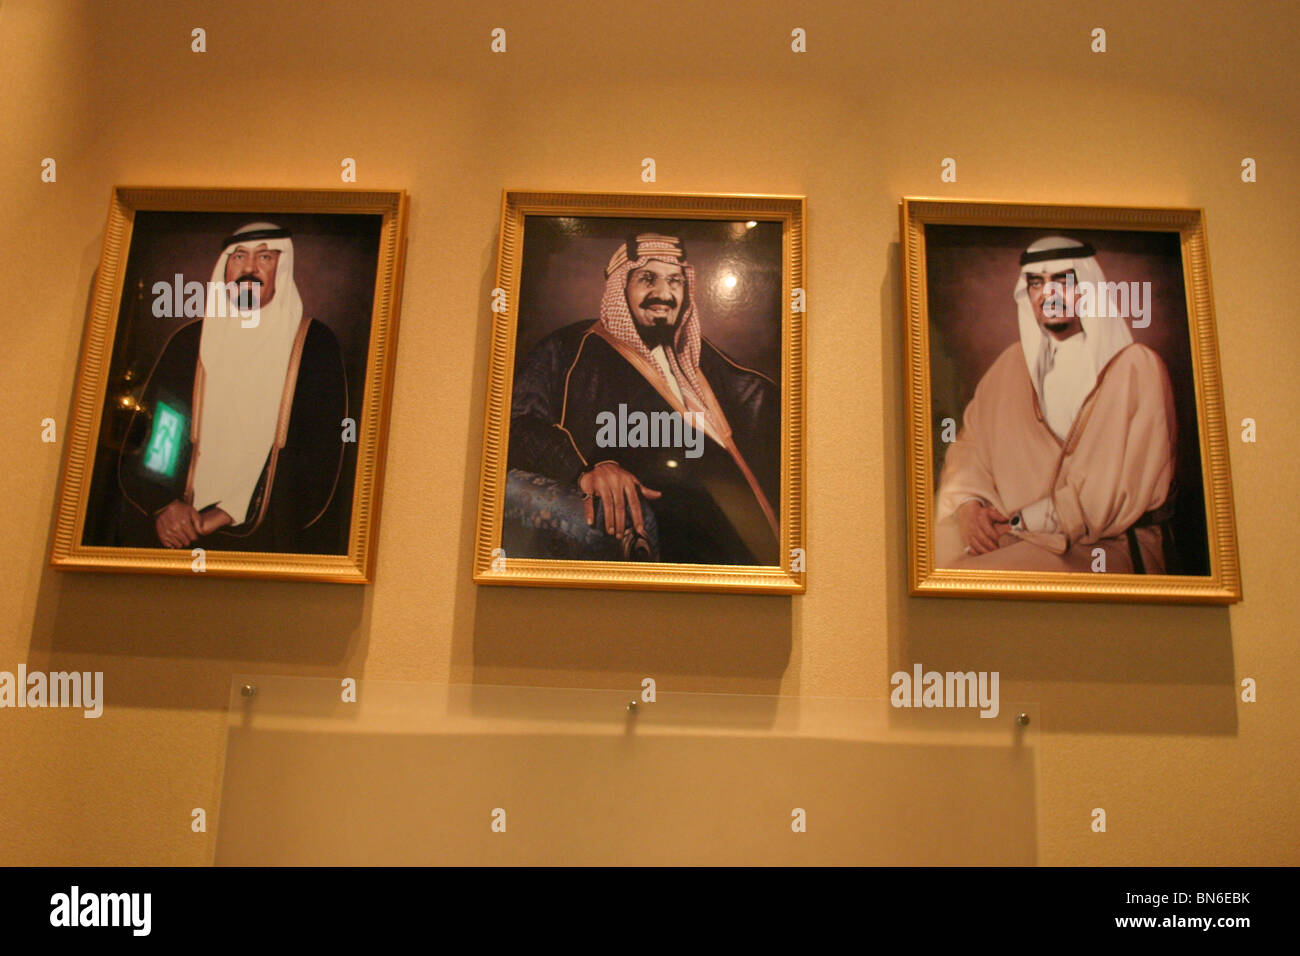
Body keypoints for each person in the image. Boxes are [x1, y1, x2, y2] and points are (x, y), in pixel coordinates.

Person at [507, 232, 780, 564]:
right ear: (621, 288)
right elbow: (518, 425)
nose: (663, 293)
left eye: (675, 281)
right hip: (655, 540)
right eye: (647, 279)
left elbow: (759, 406)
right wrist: (585, 469)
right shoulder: (568, 349)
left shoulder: (704, 359)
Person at [934, 236, 1177, 573]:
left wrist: (1014, 523)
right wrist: (968, 506)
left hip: (1105, 549)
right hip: (1017, 540)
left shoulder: (1134, 368)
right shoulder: (1010, 366)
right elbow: (969, 448)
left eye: (1063, 281)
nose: (1048, 293)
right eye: (1036, 283)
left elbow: (1103, 499)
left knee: (961, 579)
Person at [116, 222, 350, 554]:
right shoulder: (189, 343)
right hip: (177, 538)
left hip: (266, 538)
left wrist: (228, 512)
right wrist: (167, 506)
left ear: (281, 269)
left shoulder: (313, 346)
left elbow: (319, 455)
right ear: (226, 266)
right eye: (239, 256)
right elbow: (163, 435)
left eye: (265, 256)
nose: (250, 269)